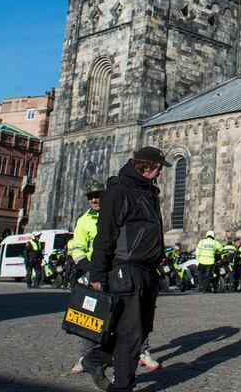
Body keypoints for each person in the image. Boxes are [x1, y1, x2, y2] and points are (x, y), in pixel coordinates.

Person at [83, 146, 168, 392]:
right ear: (145, 165)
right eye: (159, 166)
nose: (161, 170)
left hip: (146, 271)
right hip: (125, 269)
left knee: (135, 329)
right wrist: (97, 274)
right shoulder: (119, 190)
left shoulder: (148, 191)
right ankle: (123, 387)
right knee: (130, 332)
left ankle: (95, 360)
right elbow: (105, 235)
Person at [69, 179, 104, 375]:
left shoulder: (113, 216)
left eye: (98, 195)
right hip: (92, 274)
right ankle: (85, 357)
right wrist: (88, 270)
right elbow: (76, 246)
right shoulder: (83, 220)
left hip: (111, 272)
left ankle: (139, 351)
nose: (95, 200)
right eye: (91, 197)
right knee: (88, 318)